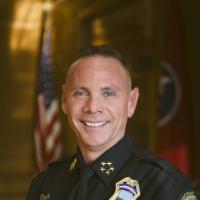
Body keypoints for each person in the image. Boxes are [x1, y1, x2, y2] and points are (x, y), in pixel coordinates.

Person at [27, 45, 197, 200]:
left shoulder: (164, 187)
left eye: (108, 93)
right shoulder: (45, 185)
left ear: (131, 102)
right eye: (80, 93)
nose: (93, 107)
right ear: (64, 99)